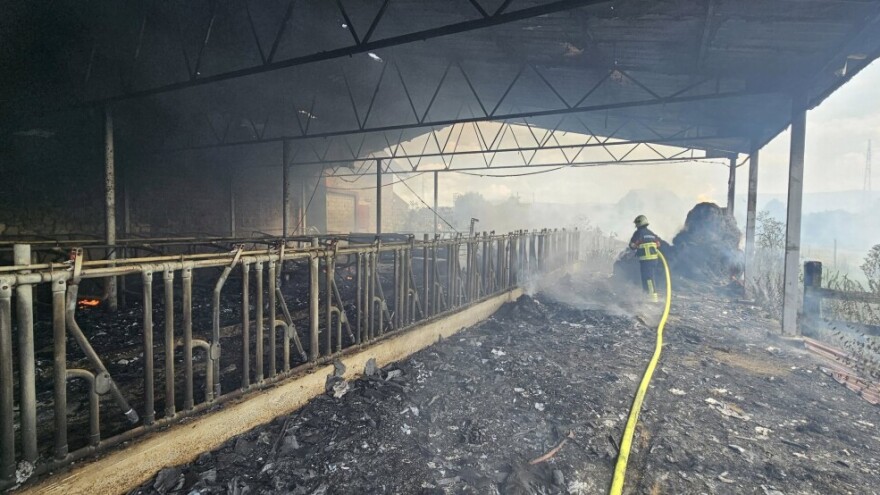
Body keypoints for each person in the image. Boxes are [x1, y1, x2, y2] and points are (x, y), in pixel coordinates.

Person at [629, 215, 662, 302]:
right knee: (647, 278)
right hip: (654, 260)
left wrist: (636, 245)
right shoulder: (651, 233)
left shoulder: (638, 233)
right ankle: (647, 296)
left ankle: (652, 299)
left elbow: (632, 245)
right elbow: (658, 244)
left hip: (646, 260)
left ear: (639, 223)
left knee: (648, 279)